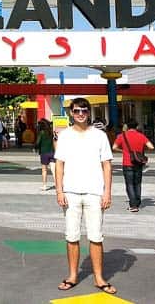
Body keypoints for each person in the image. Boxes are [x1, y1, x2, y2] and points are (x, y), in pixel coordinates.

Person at [54, 97, 116, 295]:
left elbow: (107, 164)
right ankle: (72, 275)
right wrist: (59, 191)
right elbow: (59, 165)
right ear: (71, 113)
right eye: (77, 111)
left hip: (94, 192)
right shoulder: (65, 136)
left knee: (96, 236)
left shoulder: (99, 136)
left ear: (89, 113)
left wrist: (107, 192)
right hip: (70, 192)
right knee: (72, 236)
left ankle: (99, 278)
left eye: (84, 110)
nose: (80, 114)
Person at [112, 120, 154, 213]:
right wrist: (141, 149)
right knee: (138, 183)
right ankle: (137, 202)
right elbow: (151, 147)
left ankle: (133, 205)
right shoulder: (141, 136)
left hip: (127, 163)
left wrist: (123, 151)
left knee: (129, 184)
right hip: (138, 163)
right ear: (137, 126)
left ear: (127, 126)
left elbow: (114, 147)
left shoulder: (121, 136)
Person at [34, 118, 56, 191]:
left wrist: (35, 147)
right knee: (54, 170)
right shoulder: (51, 132)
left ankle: (44, 185)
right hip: (52, 152)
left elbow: (37, 142)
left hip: (44, 153)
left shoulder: (41, 133)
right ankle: (58, 184)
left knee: (44, 170)